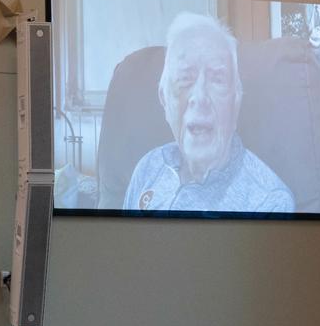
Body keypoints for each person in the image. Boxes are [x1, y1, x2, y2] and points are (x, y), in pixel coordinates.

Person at [123, 12, 295, 213]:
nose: (200, 96)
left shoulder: (269, 202)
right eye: (185, 78)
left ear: (236, 100)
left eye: (217, 79)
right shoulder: (147, 168)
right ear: (164, 98)